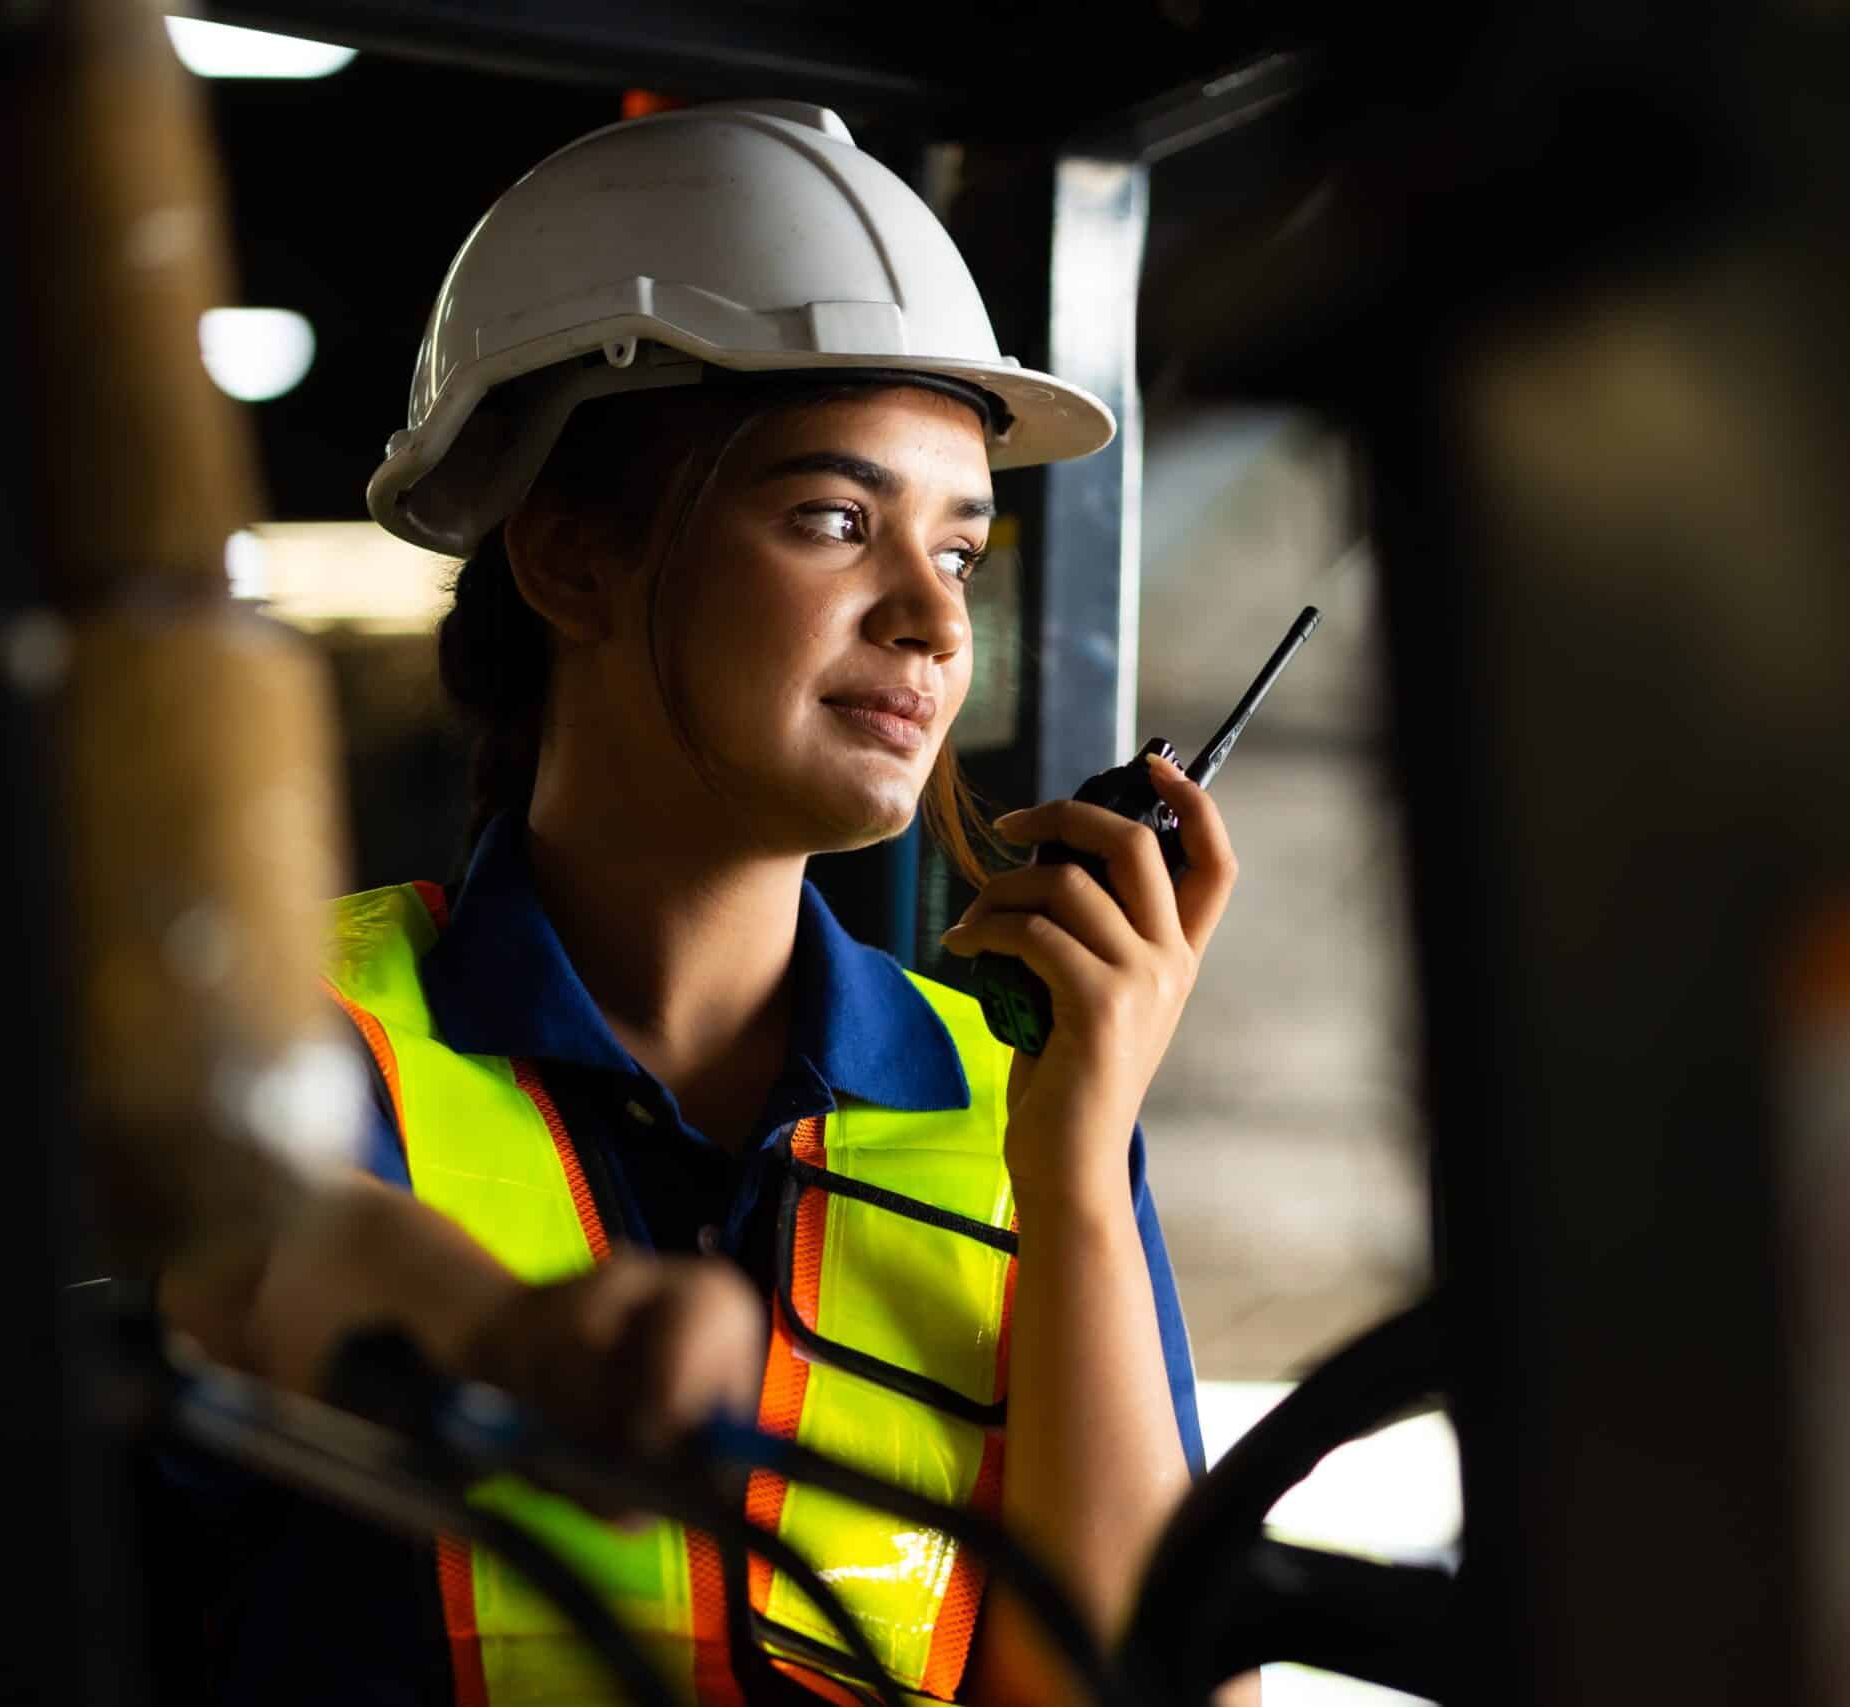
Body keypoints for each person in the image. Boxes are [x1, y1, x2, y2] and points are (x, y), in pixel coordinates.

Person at [161, 100, 1246, 1707]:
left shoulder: (1024, 1109)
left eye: (959, 551)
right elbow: (273, 1259)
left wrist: (1079, 1180)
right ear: (573, 561)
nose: (930, 622)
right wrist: (517, 1337)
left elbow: (1125, 1692)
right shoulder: (297, 1025)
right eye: (832, 519)